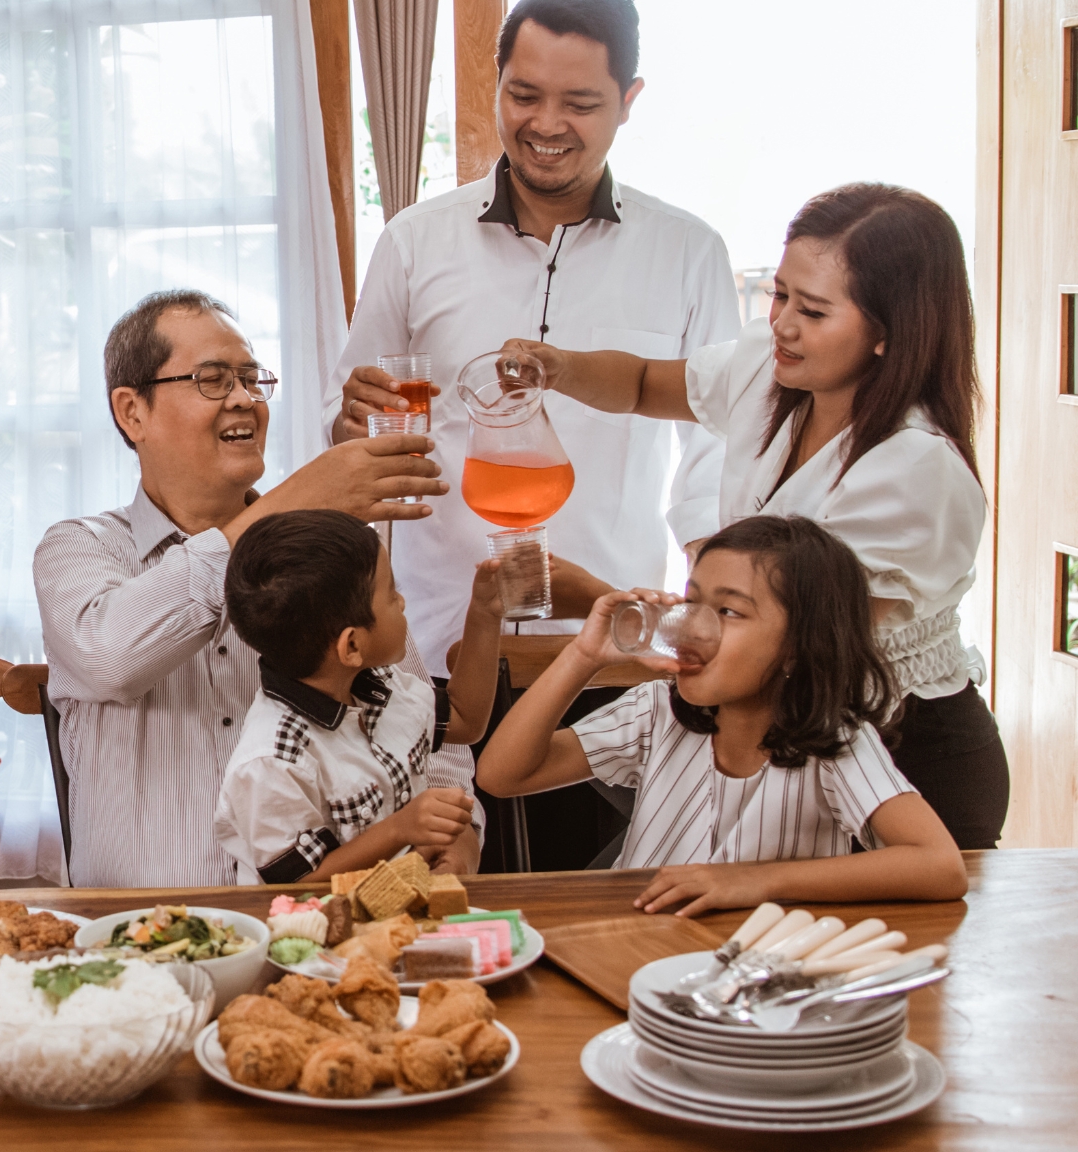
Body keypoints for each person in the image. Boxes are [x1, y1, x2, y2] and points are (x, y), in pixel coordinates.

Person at [327, 0, 741, 866]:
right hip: (431, 653)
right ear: (498, 86)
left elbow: (714, 461)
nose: (546, 126)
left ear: (629, 100)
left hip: (603, 653)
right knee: (437, 912)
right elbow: (354, 443)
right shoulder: (412, 242)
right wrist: (350, 422)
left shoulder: (689, 252)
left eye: (580, 104)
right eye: (524, 95)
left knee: (595, 904)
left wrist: (717, 621)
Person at [503, 184, 1007, 849]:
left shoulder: (914, 470)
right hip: (790, 733)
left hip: (901, 755)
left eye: (815, 311)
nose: (783, 324)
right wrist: (558, 368)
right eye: (781, 295)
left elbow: (789, 642)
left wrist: (599, 602)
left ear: (889, 333)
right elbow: (643, 384)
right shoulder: (770, 374)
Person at [35, 289, 465, 888]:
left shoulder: (320, 558)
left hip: (319, 930)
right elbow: (111, 659)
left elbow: (426, 734)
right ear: (133, 412)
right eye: (212, 379)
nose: (243, 399)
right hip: (138, 935)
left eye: (251, 378)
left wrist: (459, 835)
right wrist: (294, 501)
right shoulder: (80, 549)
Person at [476, 517, 967, 917]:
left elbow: (940, 866)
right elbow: (501, 775)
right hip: (631, 946)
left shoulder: (834, 743)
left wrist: (755, 881)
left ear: (800, 646)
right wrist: (586, 656)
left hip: (752, 978)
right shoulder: (658, 711)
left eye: (729, 612)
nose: (694, 627)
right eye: (691, 603)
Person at [214, 510, 503, 884]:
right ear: (351, 645)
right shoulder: (272, 761)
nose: (401, 602)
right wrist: (401, 829)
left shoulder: (381, 684)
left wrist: (484, 613)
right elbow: (297, 884)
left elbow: (465, 719)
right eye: (389, 594)